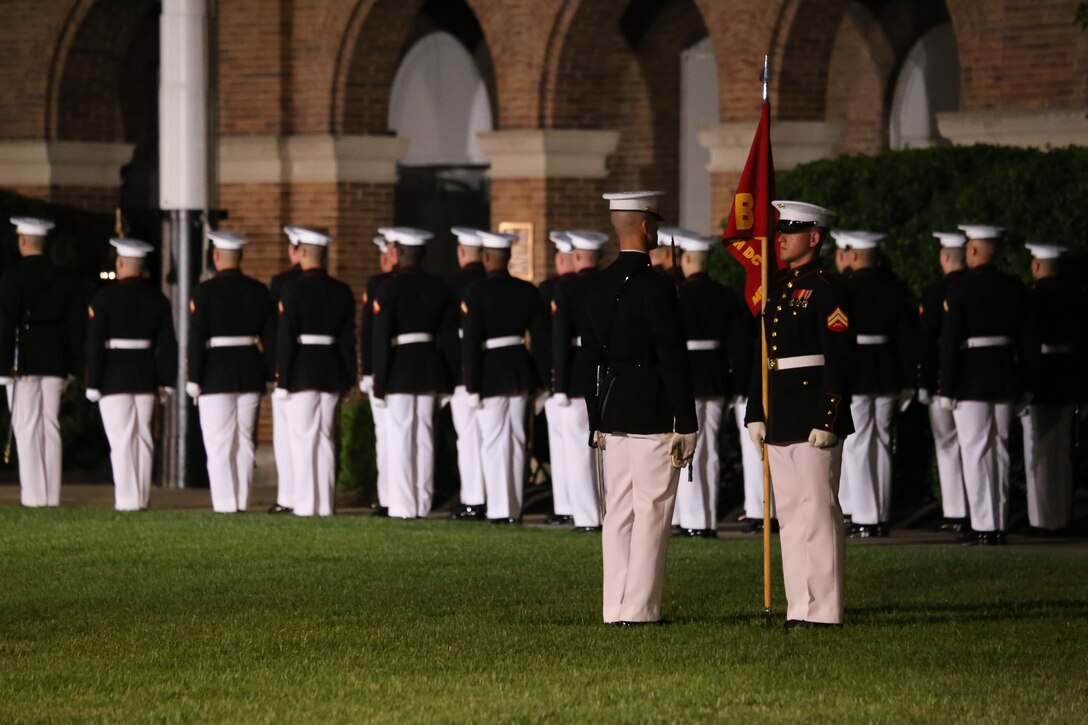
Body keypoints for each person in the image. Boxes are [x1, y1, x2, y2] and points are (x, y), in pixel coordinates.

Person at [583, 191, 697, 626]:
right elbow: (672, 356)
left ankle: (615, 607)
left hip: (613, 410)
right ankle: (641, 608)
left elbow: (588, 356)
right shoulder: (657, 287)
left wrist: (595, 416)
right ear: (647, 227)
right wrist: (685, 420)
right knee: (652, 510)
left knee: (619, 513)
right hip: (651, 408)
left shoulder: (599, 284)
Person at [745, 200, 853, 630]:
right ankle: (799, 606)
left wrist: (828, 417)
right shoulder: (778, 288)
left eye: (791, 231)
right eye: (779, 231)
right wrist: (756, 409)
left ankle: (824, 609)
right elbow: (764, 356)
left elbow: (840, 358)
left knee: (818, 513)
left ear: (814, 237)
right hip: (781, 414)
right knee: (789, 516)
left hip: (811, 413)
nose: (781, 238)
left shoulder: (828, 288)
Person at [938, 224, 1027, 546]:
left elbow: (949, 343)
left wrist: (946, 387)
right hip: (1004, 375)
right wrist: (1025, 384)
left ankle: (983, 525)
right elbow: (1027, 341)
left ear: (972, 251)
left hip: (971, 377)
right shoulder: (1014, 287)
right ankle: (998, 523)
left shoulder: (960, 289)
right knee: (999, 450)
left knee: (975, 451)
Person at [460, 230, 550, 524]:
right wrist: (541, 381)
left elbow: (471, 342)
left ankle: (499, 509)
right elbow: (540, 340)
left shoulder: (476, 291)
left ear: (486, 258)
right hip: (519, 368)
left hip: (490, 372)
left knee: (494, 441)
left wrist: (471, 385)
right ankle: (514, 507)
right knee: (517, 440)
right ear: (508, 258)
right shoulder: (527, 290)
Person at [832, 230, 917, 538]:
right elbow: (907, 338)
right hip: (887, 373)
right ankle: (878, 513)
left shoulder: (845, 288)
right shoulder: (893, 288)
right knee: (881, 442)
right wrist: (908, 380)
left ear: (853, 256)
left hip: (857, 373)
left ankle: (862, 514)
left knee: (856, 444)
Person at [186, 230, 275, 513]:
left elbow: (196, 339)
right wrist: (269, 372)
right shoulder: (259, 291)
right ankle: (242, 500)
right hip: (249, 370)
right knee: (245, 441)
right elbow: (271, 339)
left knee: (219, 443)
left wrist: (194, 378)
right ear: (241, 257)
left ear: (216, 256)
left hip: (215, 373)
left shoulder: (204, 292)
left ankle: (225, 503)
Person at [85, 237, 177, 511]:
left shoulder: (104, 299)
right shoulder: (157, 299)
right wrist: (168, 381)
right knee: (144, 439)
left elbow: (94, 344)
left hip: (114, 377)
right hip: (145, 376)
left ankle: (127, 500)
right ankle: (142, 497)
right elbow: (168, 345)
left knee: (122, 440)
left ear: (121, 263)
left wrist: (93, 382)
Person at [370, 227, 455, 519]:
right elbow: (447, 338)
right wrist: (448, 377)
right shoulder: (438, 287)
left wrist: (379, 383)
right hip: (429, 365)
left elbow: (380, 341)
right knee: (424, 437)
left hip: (400, 370)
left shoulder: (388, 288)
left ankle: (404, 506)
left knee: (401, 438)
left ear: (397, 254)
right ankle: (422, 501)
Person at [0, 217, 82, 508]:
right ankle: (51, 496)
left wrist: (3, 367)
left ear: (22, 241)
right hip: (55, 358)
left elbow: (7, 323)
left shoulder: (11, 277)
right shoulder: (63, 278)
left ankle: (33, 496)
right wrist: (73, 365)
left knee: (26, 427)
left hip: (22, 361)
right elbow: (74, 326)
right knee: (50, 426)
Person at [274, 227, 355, 517]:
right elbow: (348, 339)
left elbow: (286, 339)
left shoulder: (292, 290)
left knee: (303, 439)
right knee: (325, 438)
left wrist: (283, 380)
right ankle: (324, 504)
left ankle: (307, 505)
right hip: (331, 368)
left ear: (304, 253)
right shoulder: (341, 290)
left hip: (303, 371)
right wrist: (348, 379)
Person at [674, 230, 748, 538]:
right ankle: (706, 520)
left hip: (686, 378)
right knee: (710, 450)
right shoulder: (725, 296)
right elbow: (739, 345)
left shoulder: (675, 295)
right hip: (716, 378)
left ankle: (689, 519)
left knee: (684, 449)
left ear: (687, 260)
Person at [1020, 242, 1083, 536]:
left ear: (1036, 266)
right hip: (1069, 378)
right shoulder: (1075, 299)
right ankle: (1062, 517)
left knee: (1040, 452)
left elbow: (1027, 345)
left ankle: (1042, 519)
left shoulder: (1032, 299)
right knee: (1063, 451)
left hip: (1042, 379)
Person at [550, 229, 609, 532]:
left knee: (578, 452)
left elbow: (560, 342)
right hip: (611, 373)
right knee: (612, 451)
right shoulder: (613, 284)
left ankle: (587, 517)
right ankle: (610, 512)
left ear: (575, 256)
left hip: (576, 378)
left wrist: (559, 385)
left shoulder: (567, 289)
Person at [918, 232, 969, 533]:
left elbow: (927, 340)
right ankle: (978, 511)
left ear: (946, 257)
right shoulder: (975, 287)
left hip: (942, 377)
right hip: (975, 376)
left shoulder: (936, 291)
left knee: (948, 445)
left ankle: (955, 511)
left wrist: (925, 379)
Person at [445, 227, 488, 521]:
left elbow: (448, 335)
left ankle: (473, 498)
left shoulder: (451, 284)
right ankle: (495, 498)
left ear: (461, 252)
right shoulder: (490, 282)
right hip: (495, 371)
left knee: (469, 439)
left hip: (462, 372)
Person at [540, 230, 577, 526]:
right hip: (570, 377)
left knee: (568, 448)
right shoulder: (551, 288)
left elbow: (548, 341)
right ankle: (568, 504)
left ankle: (570, 505)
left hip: (563, 378)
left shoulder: (551, 289)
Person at [267, 228, 304, 514]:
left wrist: (275, 366)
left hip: (290, 368)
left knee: (287, 437)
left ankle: (289, 496)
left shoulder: (283, 283)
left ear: (296, 251)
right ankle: (315, 498)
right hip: (322, 369)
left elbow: (277, 331)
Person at [359, 230, 395, 516]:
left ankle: (387, 497)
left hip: (387, 372)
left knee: (386, 437)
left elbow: (370, 333)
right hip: (414, 371)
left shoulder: (378, 285)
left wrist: (369, 371)